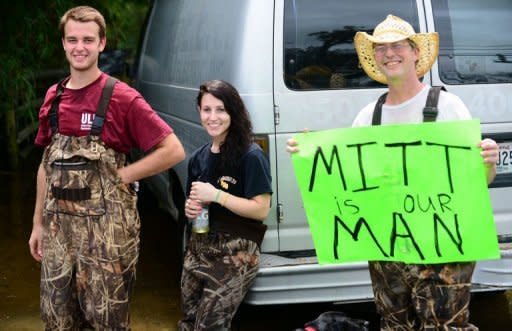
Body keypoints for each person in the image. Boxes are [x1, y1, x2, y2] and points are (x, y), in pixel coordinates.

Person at [287, 14, 499, 330]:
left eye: (397, 45)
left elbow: (479, 183)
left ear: (415, 52)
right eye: (381, 48)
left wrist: (488, 161)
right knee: (395, 325)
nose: (390, 54)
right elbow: (352, 180)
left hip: (443, 246)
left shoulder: (447, 107)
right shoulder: (367, 117)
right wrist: (311, 154)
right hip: (389, 250)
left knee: (444, 326)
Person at [28, 6, 185, 330]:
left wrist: (124, 176)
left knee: (107, 322)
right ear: (64, 44)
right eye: (72, 39)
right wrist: (37, 224)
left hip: (107, 239)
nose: (79, 47)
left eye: (88, 39)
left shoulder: (122, 97)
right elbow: (46, 164)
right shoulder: (53, 97)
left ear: (101, 43)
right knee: (57, 319)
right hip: (59, 236)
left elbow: (173, 150)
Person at [178, 80, 272, 330]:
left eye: (221, 109)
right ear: (199, 112)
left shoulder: (251, 155)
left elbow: (261, 209)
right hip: (200, 244)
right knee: (189, 320)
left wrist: (218, 195)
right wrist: (191, 210)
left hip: (237, 249)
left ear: (233, 112)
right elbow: (195, 203)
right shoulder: (198, 157)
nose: (213, 117)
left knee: (210, 325)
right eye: (206, 110)